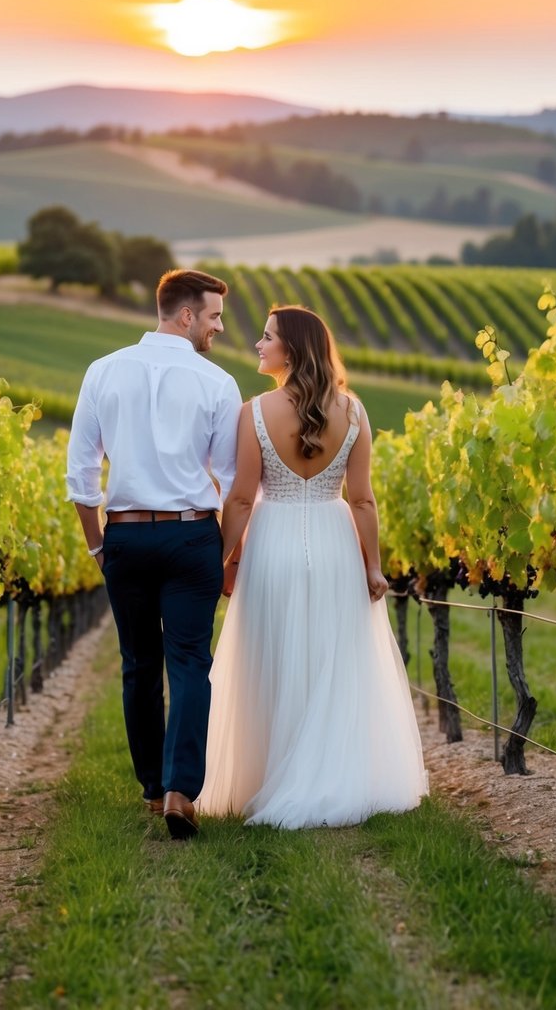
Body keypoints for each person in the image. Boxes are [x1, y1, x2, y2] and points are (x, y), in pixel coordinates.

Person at [198, 306, 427, 829]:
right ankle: (329, 775)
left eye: (267, 337)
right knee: (332, 660)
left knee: (271, 656)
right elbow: (364, 501)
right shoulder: (353, 412)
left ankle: (269, 776)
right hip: (334, 542)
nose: (258, 344)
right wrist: (372, 566)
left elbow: (238, 500)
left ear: (292, 351)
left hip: (272, 540)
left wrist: (223, 558)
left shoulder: (255, 412)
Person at [66, 269, 241, 839]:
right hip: (192, 536)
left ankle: (150, 787)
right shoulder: (217, 383)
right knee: (189, 660)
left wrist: (97, 542)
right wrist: (231, 551)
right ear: (186, 315)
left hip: (125, 535)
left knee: (138, 662)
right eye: (213, 316)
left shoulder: (102, 371)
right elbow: (234, 479)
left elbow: (81, 473)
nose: (218, 327)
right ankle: (179, 790)